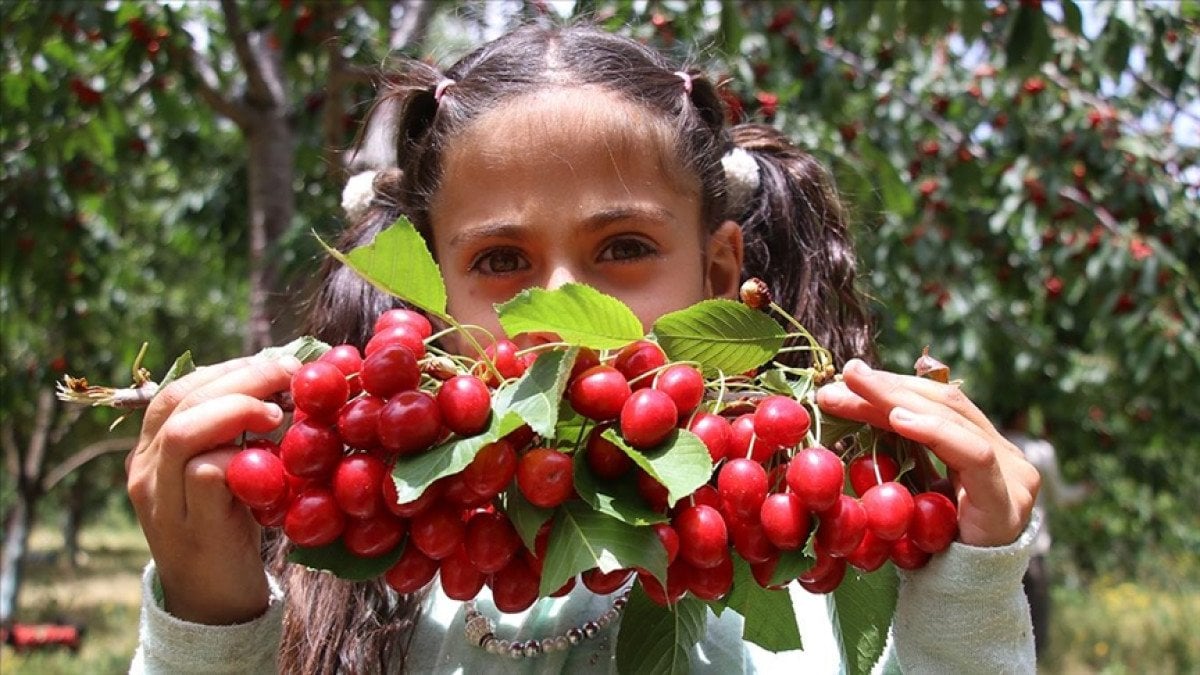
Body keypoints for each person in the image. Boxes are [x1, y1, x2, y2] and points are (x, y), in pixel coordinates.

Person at [125, 23, 1041, 674]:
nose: (562, 308)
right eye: (500, 260)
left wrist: (967, 594)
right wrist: (209, 617)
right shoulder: (362, 570)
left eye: (624, 248)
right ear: (430, 297)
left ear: (723, 275)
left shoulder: (798, 545)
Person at [1002, 411, 1089, 661]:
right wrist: (1085, 489)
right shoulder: (1040, 452)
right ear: (1021, 417)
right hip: (1033, 545)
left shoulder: (985, 442)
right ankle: (1034, 662)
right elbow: (1061, 496)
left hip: (993, 546)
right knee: (1036, 611)